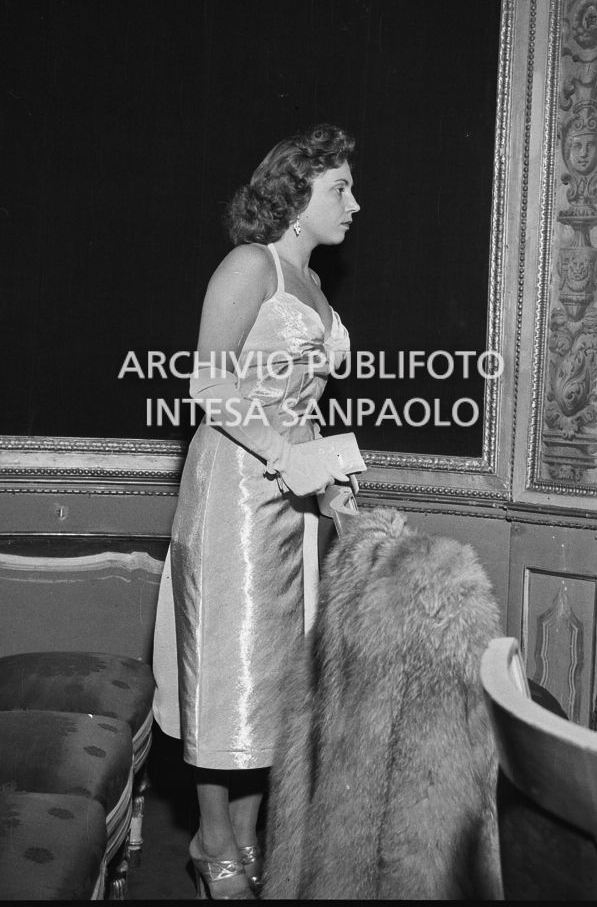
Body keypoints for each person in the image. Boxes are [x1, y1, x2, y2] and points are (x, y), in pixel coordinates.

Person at [152, 123, 360, 899]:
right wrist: (288, 454)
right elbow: (207, 386)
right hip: (237, 496)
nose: (354, 203)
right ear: (295, 194)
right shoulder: (251, 265)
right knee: (227, 666)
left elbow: (303, 404)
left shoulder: (314, 285)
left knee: (274, 679)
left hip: (294, 498)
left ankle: (243, 838)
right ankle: (213, 843)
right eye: (340, 187)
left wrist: (332, 480)